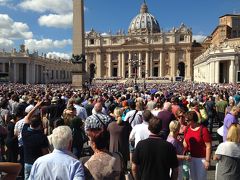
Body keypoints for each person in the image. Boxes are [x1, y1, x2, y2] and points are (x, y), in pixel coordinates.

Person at [22, 101, 49, 179]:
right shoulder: (42, 136)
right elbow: (45, 153)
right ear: (40, 125)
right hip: (38, 164)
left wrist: (36, 106)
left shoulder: (25, 131)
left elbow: (27, 117)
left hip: (27, 163)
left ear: (30, 123)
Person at [183, 111, 212, 180]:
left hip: (201, 159)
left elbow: (208, 146)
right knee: (192, 178)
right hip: (190, 158)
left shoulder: (203, 130)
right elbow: (185, 141)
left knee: (200, 178)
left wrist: (207, 160)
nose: (185, 122)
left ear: (192, 120)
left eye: (187, 120)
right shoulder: (187, 128)